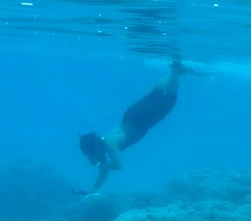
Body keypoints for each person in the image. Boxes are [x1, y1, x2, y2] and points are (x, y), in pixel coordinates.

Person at [76, 59, 195, 195]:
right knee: (156, 93)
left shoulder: (109, 144)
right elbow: (104, 170)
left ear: (95, 147)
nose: (92, 156)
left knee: (169, 100)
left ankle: (175, 70)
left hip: (142, 122)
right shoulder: (101, 145)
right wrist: (93, 189)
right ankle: (175, 73)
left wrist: (97, 164)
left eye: (91, 153)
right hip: (130, 116)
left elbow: (117, 165)